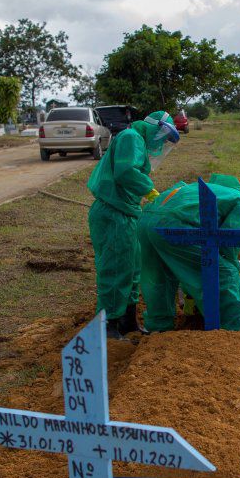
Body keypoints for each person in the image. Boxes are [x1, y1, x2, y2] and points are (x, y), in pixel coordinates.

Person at [87, 110, 179, 340]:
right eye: (162, 137)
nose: (161, 143)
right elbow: (126, 171)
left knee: (132, 268)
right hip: (113, 213)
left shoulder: (136, 140)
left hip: (126, 212)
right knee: (115, 269)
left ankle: (128, 321)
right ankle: (107, 325)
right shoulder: (131, 137)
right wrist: (149, 190)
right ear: (155, 129)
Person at [138, 174, 240, 332]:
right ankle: (236, 335)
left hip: (145, 220)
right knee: (225, 276)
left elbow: (187, 265)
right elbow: (228, 244)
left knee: (158, 277)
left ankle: (157, 328)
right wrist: (235, 271)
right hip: (173, 224)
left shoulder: (201, 189)